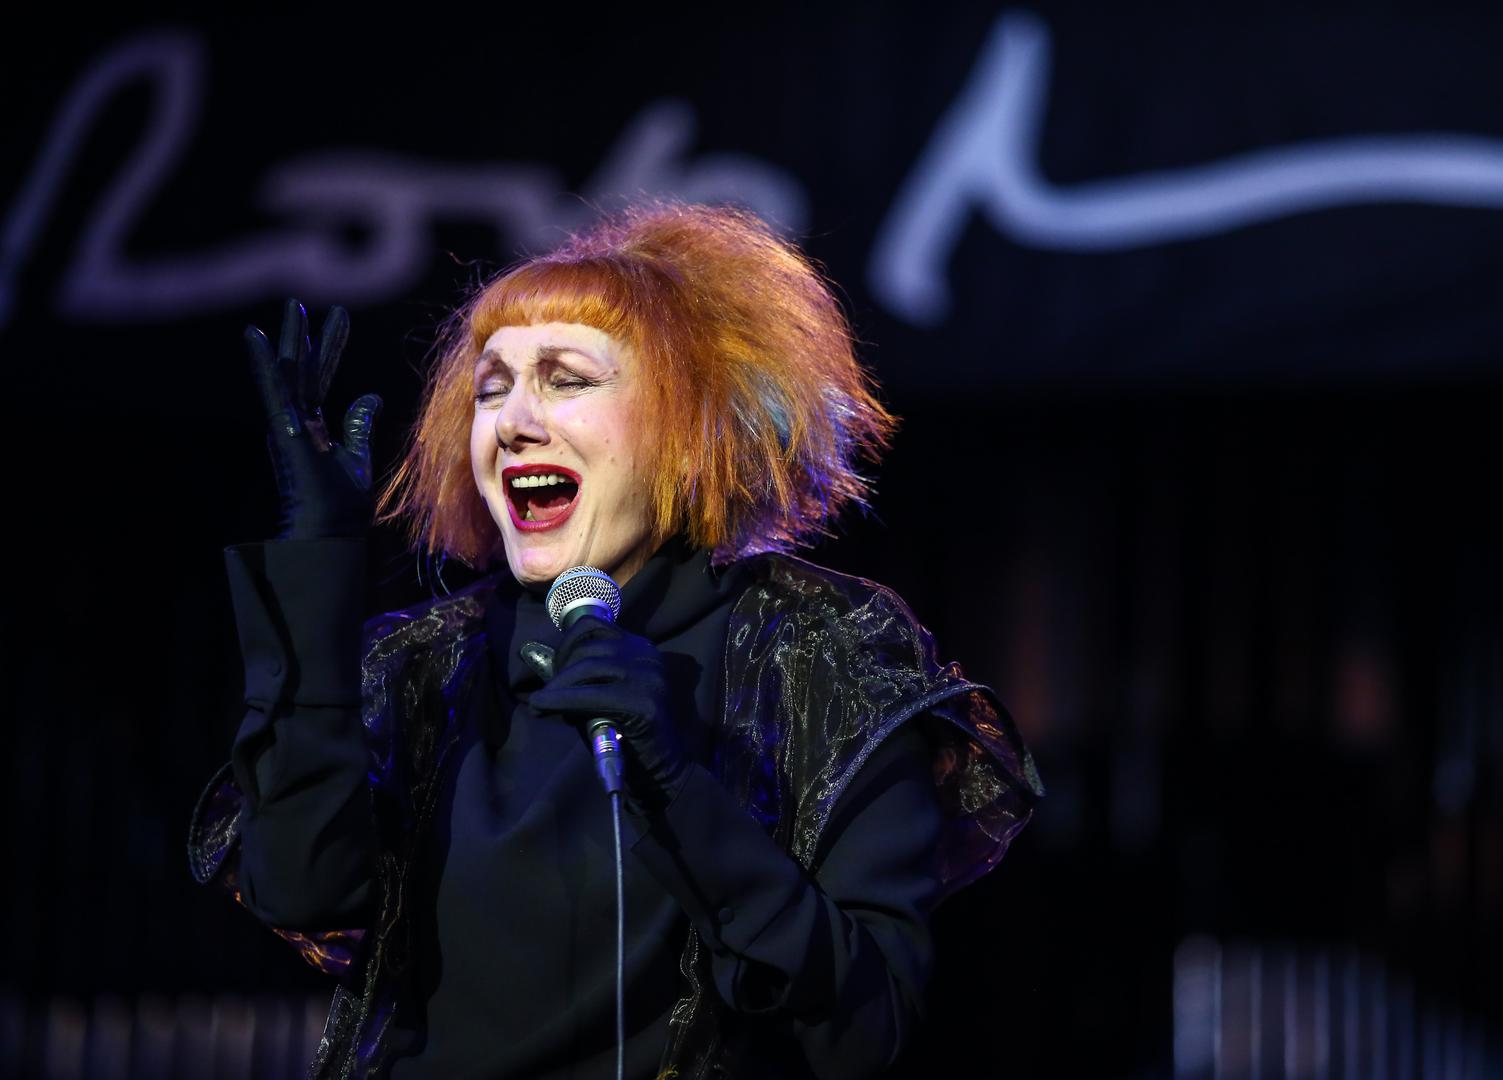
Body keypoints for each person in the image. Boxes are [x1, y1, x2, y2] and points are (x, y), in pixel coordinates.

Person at [189, 202, 1041, 1079]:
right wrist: (317, 568)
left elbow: (862, 1030)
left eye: (567, 380)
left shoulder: (825, 656)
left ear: (693, 421)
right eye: (491, 388)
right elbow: (302, 891)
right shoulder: (424, 664)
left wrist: (679, 788)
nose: (513, 422)